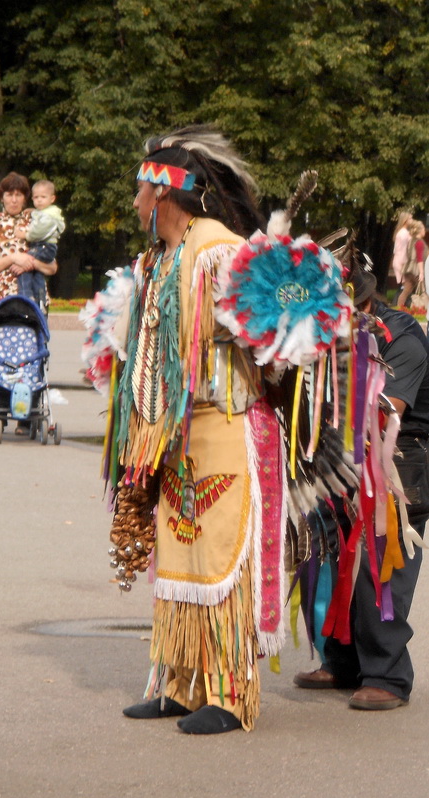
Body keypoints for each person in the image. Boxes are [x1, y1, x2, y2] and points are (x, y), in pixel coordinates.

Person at [105, 126, 280, 735]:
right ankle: (178, 681)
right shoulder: (160, 258)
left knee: (220, 563)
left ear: (166, 194)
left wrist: (250, 320)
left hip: (228, 426)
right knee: (179, 559)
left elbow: (271, 340)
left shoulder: (219, 250)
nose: (134, 206)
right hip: (178, 435)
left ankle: (230, 692)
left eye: (140, 192)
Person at [294, 264, 429, 710]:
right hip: (344, 449)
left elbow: (388, 411)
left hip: (400, 459)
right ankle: (342, 661)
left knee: (378, 564)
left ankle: (388, 676)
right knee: (331, 554)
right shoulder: (327, 335)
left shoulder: (402, 338)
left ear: (364, 305)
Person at [0, 171, 57, 309]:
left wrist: (30, 262)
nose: (14, 200)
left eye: (18, 195)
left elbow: (52, 267)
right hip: (0, 302)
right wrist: (13, 258)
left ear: (25, 198)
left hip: (34, 303)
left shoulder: (36, 221)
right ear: (2, 198)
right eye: (9, 195)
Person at [15, 179, 65, 303]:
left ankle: (26, 295)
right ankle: (39, 297)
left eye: (43, 197)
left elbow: (39, 230)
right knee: (37, 273)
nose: (39, 200)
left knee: (23, 264)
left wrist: (25, 235)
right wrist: (34, 211)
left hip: (44, 246)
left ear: (52, 199)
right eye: (36, 197)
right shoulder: (47, 213)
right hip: (46, 247)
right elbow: (42, 216)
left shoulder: (48, 216)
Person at [397, 219, 427, 308]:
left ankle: (399, 309)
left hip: (408, 269)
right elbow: (419, 259)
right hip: (416, 270)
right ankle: (423, 309)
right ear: (420, 230)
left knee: (406, 291)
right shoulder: (420, 243)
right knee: (424, 290)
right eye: (423, 229)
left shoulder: (411, 241)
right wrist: (421, 273)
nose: (424, 231)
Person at [391, 210, 412, 287]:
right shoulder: (403, 233)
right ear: (405, 220)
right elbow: (404, 251)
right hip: (401, 262)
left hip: (399, 261)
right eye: (410, 218)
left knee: (405, 288)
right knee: (406, 288)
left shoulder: (403, 232)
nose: (412, 220)